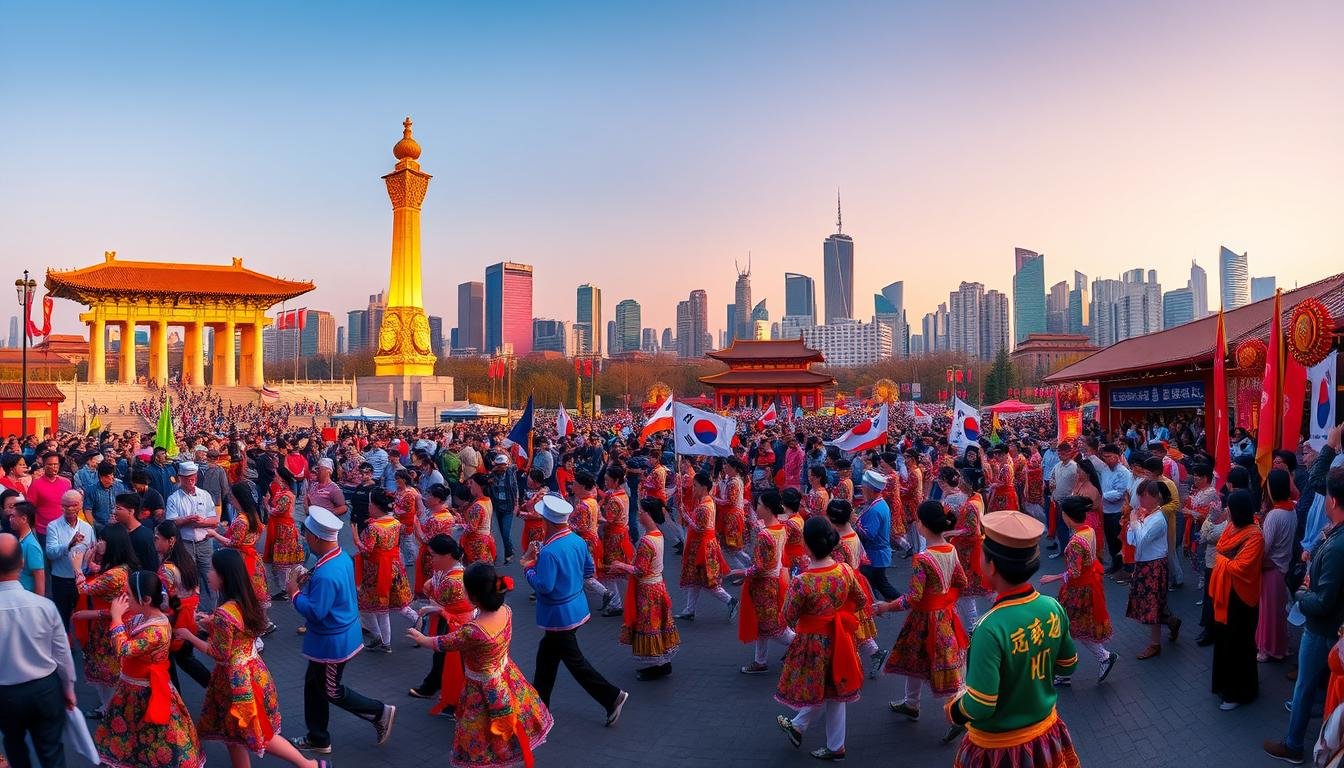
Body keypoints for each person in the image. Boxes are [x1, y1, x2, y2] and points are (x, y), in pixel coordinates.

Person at [946, 510, 1080, 768]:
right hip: (1045, 733)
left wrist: (953, 710)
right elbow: (1068, 664)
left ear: (991, 565)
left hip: (1000, 748)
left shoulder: (989, 627)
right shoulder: (1052, 607)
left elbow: (981, 705)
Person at [175, 548, 328, 768]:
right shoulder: (245, 601)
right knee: (239, 734)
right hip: (254, 672)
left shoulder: (224, 613)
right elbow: (237, 631)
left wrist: (189, 635)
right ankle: (308, 764)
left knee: (249, 733)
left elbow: (219, 652)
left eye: (213, 571)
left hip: (237, 685)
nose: (208, 575)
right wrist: (208, 621)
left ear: (224, 576)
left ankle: (309, 764)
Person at [408, 562, 553, 767]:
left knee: (479, 733)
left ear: (473, 597)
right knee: (506, 726)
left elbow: (443, 642)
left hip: (481, 687)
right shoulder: (506, 611)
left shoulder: (474, 631)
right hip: (506, 675)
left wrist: (422, 639)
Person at [286, 505, 396, 754]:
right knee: (314, 685)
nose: (305, 539)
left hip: (332, 642)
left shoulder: (326, 572)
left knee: (330, 689)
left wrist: (293, 593)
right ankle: (318, 736)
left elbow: (316, 611)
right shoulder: (340, 556)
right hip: (336, 637)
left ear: (314, 537)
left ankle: (380, 712)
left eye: (306, 535)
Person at [521, 494, 628, 725]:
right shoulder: (577, 541)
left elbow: (544, 586)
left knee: (573, 662)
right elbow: (588, 571)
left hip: (558, 615)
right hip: (575, 608)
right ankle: (540, 707)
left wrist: (529, 568)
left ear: (547, 522)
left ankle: (611, 696)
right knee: (547, 658)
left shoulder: (549, 551)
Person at [1265, 466, 1344, 764]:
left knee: (1303, 687)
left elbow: (1322, 602)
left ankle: (1293, 744)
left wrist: (1301, 593)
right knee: (1317, 688)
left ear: (1333, 502)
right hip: (1330, 627)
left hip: (1322, 628)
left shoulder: (1337, 546)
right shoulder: (1334, 535)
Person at [774, 517, 868, 761]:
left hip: (813, 643)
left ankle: (806, 730)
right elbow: (861, 600)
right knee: (836, 690)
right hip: (840, 638)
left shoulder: (802, 581)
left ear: (807, 544)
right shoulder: (844, 570)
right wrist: (838, 613)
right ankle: (831, 743)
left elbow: (787, 615)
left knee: (816, 688)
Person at [92, 569, 205, 768]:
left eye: (128, 594)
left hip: (146, 692)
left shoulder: (158, 630)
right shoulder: (140, 617)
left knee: (156, 742)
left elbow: (124, 648)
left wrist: (116, 618)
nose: (124, 598)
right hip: (131, 689)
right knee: (134, 740)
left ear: (145, 599)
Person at [876, 500, 969, 734]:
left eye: (917, 520)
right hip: (945, 615)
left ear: (923, 526)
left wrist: (885, 607)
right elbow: (962, 582)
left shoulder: (923, 558)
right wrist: (945, 600)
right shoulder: (951, 549)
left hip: (926, 619)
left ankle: (958, 716)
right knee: (921, 660)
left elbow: (913, 598)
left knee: (939, 664)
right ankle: (911, 704)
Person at [0, 532, 78, 768]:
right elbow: (62, 653)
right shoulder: (45, 606)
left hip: (5, 694)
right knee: (51, 752)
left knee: (14, 746)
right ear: (22, 564)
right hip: (45, 689)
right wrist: (69, 687)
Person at [1040, 496, 1117, 685]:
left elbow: (1074, 572)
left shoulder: (1075, 541)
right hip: (1087, 585)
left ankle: (1100, 658)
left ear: (1067, 516)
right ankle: (1074, 667)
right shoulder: (1088, 530)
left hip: (1078, 590)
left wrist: (1053, 577)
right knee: (1074, 629)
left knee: (1071, 629)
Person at [608, 497, 681, 680]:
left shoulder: (648, 541)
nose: (639, 515)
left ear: (648, 515)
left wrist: (621, 565)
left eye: (641, 512)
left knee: (650, 626)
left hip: (648, 589)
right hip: (657, 585)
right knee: (657, 625)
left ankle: (657, 665)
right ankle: (661, 662)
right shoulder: (657, 535)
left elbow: (641, 570)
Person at [71, 523, 140, 718]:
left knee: (109, 672)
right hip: (113, 624)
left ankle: (110, 710)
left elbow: (83, 589)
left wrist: (77, 568)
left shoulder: (114, 574)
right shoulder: (121, 567)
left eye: (102, 540)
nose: (98, 543)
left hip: (111, 628)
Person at [1208, 489, 1264, 711]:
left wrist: (1221, 561)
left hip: (1241, 599)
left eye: (1229, 507)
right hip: (1226, 595)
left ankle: (1239, 693)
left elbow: (1241, 566)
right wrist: (1223, 558)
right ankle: (1224, 686)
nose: (1226, 511)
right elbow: (1221, 547)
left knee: (1239, 645)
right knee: (1224, 642)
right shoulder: (1232, 527)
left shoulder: (1255, 536)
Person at [407, 534, 473, 715]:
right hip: (453, 620)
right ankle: (436, 686)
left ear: (448, 556)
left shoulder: (452, 580)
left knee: (452, 661)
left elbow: (436, 598)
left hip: (456, 623)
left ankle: (453, 699)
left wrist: (430, 600)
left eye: (434, 555)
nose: (431, 559)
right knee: (443, 659)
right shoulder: (452, 571)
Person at [733, 490, 796, 676]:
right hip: (774, 581)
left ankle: (802, 642)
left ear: (768, 508)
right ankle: (760, 661)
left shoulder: (765, 535)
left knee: (772, 626)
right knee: (762, 625)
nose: (756, 508)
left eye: (759, 505)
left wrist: (742, 572)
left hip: (763, 585)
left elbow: (760, 567)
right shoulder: (781, 526)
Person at [1125, 478, 1182, 659]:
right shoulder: (1148, 514)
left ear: (1156, 498)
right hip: (1144, 563)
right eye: (1140, 495)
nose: (1141, 500)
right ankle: (1171, 622)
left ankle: (1155, 644)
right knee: (1152, 602)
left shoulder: (1158, 519)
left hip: (1154, 565)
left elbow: (1141, 539)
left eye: (1145, 496)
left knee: (1152, 604)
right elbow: (1131, 539)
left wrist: (1134, 521)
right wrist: (1135, 523)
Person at [355, 488, 414, 654]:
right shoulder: (395, 523)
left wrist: (356, 539)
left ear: (375, 506)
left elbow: (367, 551)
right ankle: (384, 638)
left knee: (372, 607)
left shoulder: (373, 528)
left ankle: (382, 639)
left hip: (376, 569)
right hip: (393, 566)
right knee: (388, 606)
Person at [155, 521, 211, 690]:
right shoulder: (187, 561)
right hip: (188, 620)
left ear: (170, 540)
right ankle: (215, 688)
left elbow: (164, 602)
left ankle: (175, 704)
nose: (155, 543)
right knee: (186, 659)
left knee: (170, 663)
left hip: (174, 623)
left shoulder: (166, 569)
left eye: (157, 539)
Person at [675, 472, 738, 621]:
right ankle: (689, 609)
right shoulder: (706, 502)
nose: (693, 489)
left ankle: (730, 600)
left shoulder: (705, 506)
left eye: (695, 486)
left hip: (702, 547)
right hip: (703, 545)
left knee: (707, 581)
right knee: (696, 579)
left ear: (704, 487)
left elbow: (699, 528)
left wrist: (685, 516)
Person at [164, 461, 220, 607]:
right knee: (189, 579)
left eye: (193, 477)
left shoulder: (205, 495)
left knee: (209, 578)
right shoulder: (174, 498)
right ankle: (193, 613)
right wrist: (187, 519)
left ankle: (212, 611)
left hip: (205, 543)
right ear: (180, 478)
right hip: (186, 544)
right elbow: (171, 522)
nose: (191, 480)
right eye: (187, 478)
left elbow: (214, 521)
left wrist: (200, 523)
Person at [1258, 468, 1295, 663]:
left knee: (1268, 612)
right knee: (1278, 611)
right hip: (1283, 567)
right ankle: (1281, 646)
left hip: (1271, 568)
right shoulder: (1292, 509)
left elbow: (1265, 547)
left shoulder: (1275, 515)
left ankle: (1268, 648)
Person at [44, 488, 96, 630]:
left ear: (80, 505)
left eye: (74, 505)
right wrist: (69, 545)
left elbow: (92, 551)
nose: (70, 509)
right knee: (62, 617)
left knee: (83, 617)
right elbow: (50, 553)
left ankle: (82, 646)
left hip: (82, 580)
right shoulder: (53, 526)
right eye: (66, 505)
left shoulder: (87, 528)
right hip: (61, 579)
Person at [946, 467, 991, 629]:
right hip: (971, 550)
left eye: (962, 479)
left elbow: (972, 530)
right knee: (977, 589)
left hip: (969, 552)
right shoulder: (976, 497)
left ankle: (974, 627)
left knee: (967, 591)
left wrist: (950, 532)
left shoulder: (972, 504)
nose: (959, 482)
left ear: (969, 483)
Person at [855, 469, 898, 602]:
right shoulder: (878, 503)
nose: (862, 489)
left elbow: (869, 534)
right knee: (877, 583)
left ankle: (901, 601)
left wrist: (854, 522)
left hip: (875, 555)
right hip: (877, 555)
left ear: (870, 489)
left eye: (863, 487)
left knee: (878, 584)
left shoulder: (875, 509)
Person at [264, 476, 304, 602]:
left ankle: (287, 589)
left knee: (284, 562)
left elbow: (276, 511)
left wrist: (266, 504)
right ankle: (288, 587)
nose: (275, 478)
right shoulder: (283, 493)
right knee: (285, 562)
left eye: (277, 476)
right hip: (281, 528)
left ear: (283, 480)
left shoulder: (286, 495)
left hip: (284, 529)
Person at [112, 493, 158, 573]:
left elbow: (151, 568)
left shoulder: (145, 536)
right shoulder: (116, 531)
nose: (114, 512)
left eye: (118, 508)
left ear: (131, 511)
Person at [5, 501, 44, 595]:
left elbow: (39, 579)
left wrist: (37, 605)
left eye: (13, 516)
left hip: (27, 598)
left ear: (24, 519)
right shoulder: (21, 540)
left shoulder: (31, 546)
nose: (10, 519)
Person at [462, 473, 497, 566]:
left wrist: (461, 536)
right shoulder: (487, 500)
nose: (470, 486)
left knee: (476, 572)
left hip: (477, 544)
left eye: (472, 483)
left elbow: (471, 528)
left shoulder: (478, 506)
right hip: (484, 540)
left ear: (478, 486)